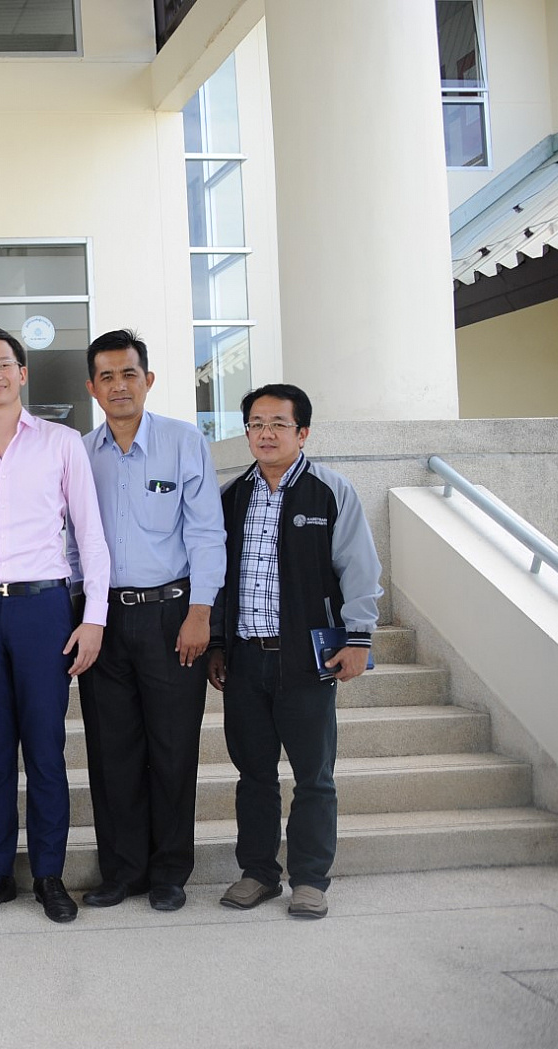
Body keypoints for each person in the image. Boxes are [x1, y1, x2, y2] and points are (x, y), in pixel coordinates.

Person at [0, 327, 110, 923]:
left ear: (22, 373)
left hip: (44, 609)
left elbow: (90, 534)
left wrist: (94, 619)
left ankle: (48, 874)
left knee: (44, 750)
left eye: (2, 365)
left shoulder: (62, 443)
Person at [208, 383, 382, 920]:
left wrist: (359, 637)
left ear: (302, 432)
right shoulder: (231, 497)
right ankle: (258, 873)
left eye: (279, 424)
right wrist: (218, 642)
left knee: (314, 776)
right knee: (253, 775)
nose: (266, 434)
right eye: (256, 424)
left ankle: (309, 880)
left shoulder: (330, 492)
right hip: (246, 659)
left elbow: (359, 567)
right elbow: (217, 577)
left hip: (308, 661)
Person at [77, 330, 224, 913]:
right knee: (111, 751)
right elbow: (71, 540)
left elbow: (207, 533)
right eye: (107, 377)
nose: (119, 386)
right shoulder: (80, 454)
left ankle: (169, 872)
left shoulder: (184, 442)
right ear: (92, 388)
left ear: (149, 380)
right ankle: (121, 871)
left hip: (171, 617)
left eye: (129, 374)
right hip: (103, 619)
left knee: (172, 749)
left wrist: (200, 613)